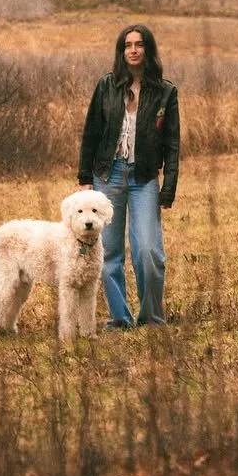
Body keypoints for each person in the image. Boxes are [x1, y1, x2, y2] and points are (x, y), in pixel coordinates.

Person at [78, 23, 180, 328]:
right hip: (108, 176)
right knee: (108, 252)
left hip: (144, 178)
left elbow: (173, 144)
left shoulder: (165, 92)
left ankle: (151, 318)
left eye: (138, 44)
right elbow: (91, 133)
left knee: (149, 251)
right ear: (121, 51)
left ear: (148, 49)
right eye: (127, 45)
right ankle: (119, 319)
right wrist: (85, 178)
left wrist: (169, 187)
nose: (133, 50)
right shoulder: (106, 86)